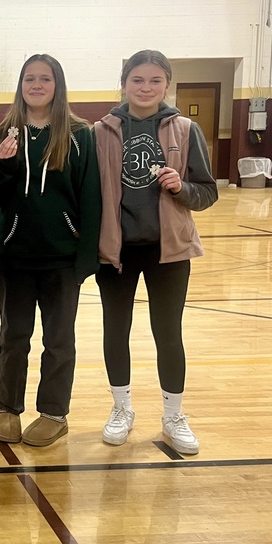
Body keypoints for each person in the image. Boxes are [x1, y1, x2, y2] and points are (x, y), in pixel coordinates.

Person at [94, 50, 217, 454]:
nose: (145, 88)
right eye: (137, 80)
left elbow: (207, 192)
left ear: (167, 84)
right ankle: (121, 408)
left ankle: (173, 415)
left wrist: (182, 187)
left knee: (168, 333)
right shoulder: (102, 130)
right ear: (124, 83)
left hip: (169, 251)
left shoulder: (185, 129)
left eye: (154, 81)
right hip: (117, 250)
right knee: (116, 329)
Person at [0, 54, 101, 447]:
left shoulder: (81, 135)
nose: (36, 85)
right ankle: (8, 408)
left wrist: (87, 258)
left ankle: (54, 413)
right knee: (13, 336)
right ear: (20, 84)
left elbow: (91, 198)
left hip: (63, 259)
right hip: (15, 256)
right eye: (29, 78)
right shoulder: (3, 134)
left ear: (58, 85)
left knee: (59, 340)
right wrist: (4, 165)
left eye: (45, 79)